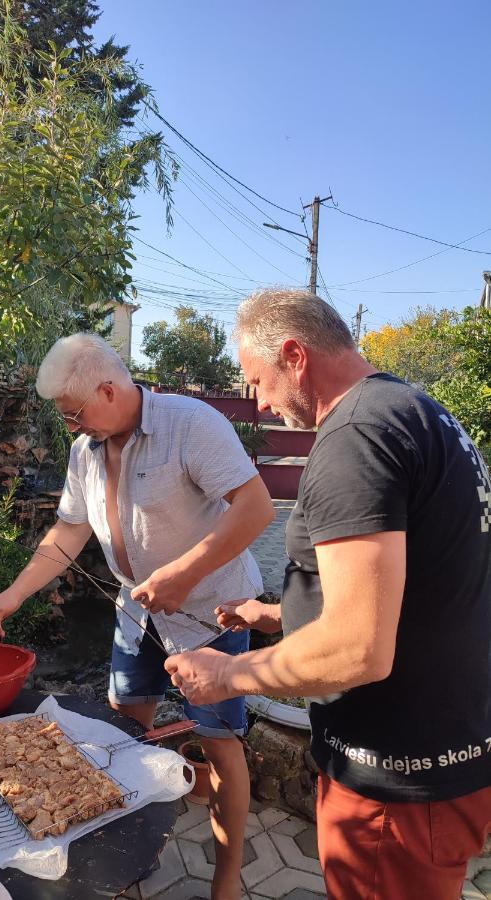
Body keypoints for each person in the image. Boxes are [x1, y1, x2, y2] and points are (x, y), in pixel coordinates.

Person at [165, 289, 491, 900]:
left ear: (294, 355)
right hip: (446, 757)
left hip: (393, 781)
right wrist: (273, 612)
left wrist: (228, 674)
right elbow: (406, 590)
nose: (257, 400)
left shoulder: (355, 437)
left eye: (257, 380)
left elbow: (360, 649)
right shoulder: (418, 413)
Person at [0, 333, 275, 900]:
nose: (70, 426)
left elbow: (256, 507)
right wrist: (16, 593)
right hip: (137, 615)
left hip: (215, 617)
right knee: (123, 731)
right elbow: (68, 530)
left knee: (220, 743)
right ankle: (125, 851)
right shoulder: (84, 450)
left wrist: (184, 574)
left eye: (73, 414)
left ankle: (228, 874)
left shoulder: (192, 424)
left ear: (108, 390)